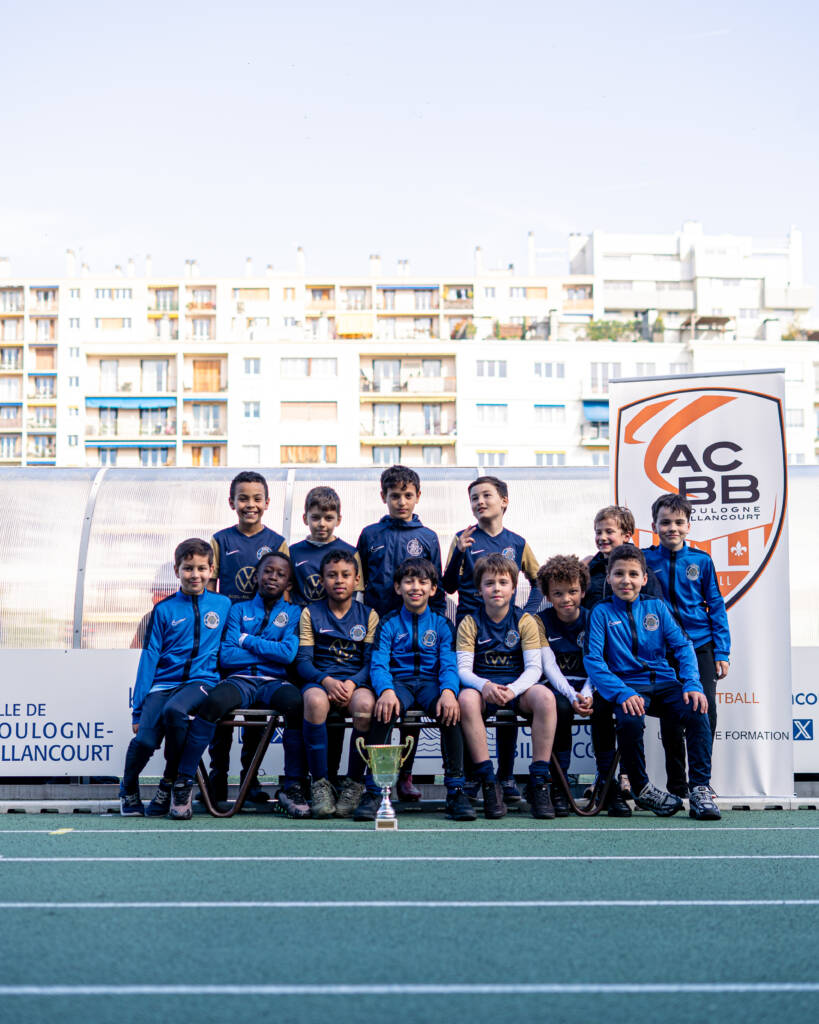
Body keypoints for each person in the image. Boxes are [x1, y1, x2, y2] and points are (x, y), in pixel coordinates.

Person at [584, 543, 721, 820]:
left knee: (698, 709)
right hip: (628, 687)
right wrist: (621, 692)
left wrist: (692, 683)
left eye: (633, 574)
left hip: (664, 683)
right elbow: (593, 660)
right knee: (629, 721)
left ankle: (700, 789)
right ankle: (642, 788)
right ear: (609, 578)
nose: (626, 580)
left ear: (644, 578)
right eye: (619, 574)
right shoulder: (600, 612)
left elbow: (683, 646)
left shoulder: (656, 606)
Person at [166, 550, 306, 820]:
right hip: (239, 680)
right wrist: (269, 650)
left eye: (280, 574)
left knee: (296, 704)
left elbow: (288, 654)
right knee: (212, 704)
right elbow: (227, 656)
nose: (273, 577)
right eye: (267, 571)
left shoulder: (294, 613)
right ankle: (183, 783)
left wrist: (246, 640)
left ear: (288, 583)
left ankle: (293, 787)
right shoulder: (237, 609)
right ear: (256, 576)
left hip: (273, 682)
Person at [353, 557, 476, 823]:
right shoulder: (388, 623)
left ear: (433, 589)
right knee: (383, 710)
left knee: (451, 713)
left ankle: (456, 790)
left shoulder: (443, 624)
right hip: (400, 684)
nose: (415, 587)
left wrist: (448, 692)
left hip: (432, 684)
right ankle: (374, 791)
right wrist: (386, 690)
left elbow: (449, 664)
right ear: (398, 588)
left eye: (423, 582)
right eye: (409, 581)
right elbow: (379, 664)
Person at [442, 475, 541, 804]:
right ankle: (475, 776)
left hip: (507, 630)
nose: (479, 502)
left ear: (504, 501)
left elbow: (539, 582)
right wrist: (459, 553)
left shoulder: (518, 542)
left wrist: (528, 614)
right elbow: (447, 586)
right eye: (474, 498)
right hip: (471, 630)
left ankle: (507, 776)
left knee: (506, 696)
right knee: (474, 698)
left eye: (486, 495)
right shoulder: (463, 538)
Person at [119, 538, 231, 816]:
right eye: (188, 568)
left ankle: (168, 783)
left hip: (201, 682)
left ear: (211, 570)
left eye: (202, 568)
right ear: (176, 570)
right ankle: (128, 788)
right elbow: (149, 659)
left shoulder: (223, 604)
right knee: (145, 740)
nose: (195, 575)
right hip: (163, 685)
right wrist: (138, 710)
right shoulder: (163, 610)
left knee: (175, 711)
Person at [356, 465, 444, 801]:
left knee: (412, 712)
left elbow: (437, 588)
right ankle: (371, 780)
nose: (401, 502)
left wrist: (434, 632)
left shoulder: (428, 537)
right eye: (395, 496)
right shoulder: (369, 535)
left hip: (418, 633)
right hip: (380, 632)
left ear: (418, 496)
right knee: (383, 702)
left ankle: (405, 776)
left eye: (408, 495)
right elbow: (361, 583)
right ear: (384, 497)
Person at [206, 471, 289, 802]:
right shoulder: (220, 541)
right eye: (243, 498)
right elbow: (210, 592)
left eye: (256, 499)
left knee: (258, 711)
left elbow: (283, 591)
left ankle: (249, 780)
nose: (250, 504)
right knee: (222, 712)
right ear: (232, 502)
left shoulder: (277, 542)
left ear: (267, 503)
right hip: (228, 634)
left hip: (262, 635)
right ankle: (217, 779)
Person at [456, 554, 558, 820]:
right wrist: (485, 685)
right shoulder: (470, 622)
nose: (497, 588)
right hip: (484, 689)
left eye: (503, 583)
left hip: (516, 689)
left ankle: (538, 782)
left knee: (546, 698)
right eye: (489, 583)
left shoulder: (525, 621)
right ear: (479, 590)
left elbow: (534, 668)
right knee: (466, 700)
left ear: (514, 588)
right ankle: (489, 782)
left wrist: (513, 689)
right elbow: (463, 671)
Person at [644, 493, 731, 797]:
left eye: (679, 522)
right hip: (663, 649)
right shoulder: (644, 559)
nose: (673, 528)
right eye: (665, 522)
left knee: (705, 711)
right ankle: (677, 785)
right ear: (654, 526)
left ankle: (701, 783)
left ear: (689, 526)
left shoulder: (701, 560)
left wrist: (722, 651)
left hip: (700, 645)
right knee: (671, 714)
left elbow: (716, 606)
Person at [535, 555, 631, 817]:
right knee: (561, 708)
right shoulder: (539, 621)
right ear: (547, 595)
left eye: (573, 592)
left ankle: (607, 783)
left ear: (583, 591)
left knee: (603, 707)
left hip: (592, 684)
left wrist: (587, 693)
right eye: (558, 593)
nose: (566, 599)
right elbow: (548, 667)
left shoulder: (595, 617)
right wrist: (571, 695)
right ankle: (560, 785)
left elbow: (599, 661)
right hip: (558, 688)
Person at [582, 504, 662, 802]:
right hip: (599, 663)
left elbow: (654, 617)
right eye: (598, 532)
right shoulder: (588, 569)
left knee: (630, 716)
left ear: (627, 535)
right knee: (600, 713)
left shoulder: (643, 572)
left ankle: (628, 776)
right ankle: (604, 778)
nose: (602, 537)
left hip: (631, 665)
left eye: (609, 532)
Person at [295, 549, 378, 818]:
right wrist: (327, 681)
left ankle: (353, 783)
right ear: (322, 580)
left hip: (355, 684)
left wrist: (352, 683)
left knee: (366, 706)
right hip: (322, 681)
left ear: (356, 580)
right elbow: (303, 662)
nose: (339, 580)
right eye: (332, 575)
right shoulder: (310, 613)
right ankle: (320, 783)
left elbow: (371, 663)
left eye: (345, 575)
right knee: (314, 700)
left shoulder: (369, 615)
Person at [288, 486, 362, 608]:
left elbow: (354, 595)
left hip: (334, 618)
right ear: (305, 519)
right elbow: (286, 591)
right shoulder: (293, 552)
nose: (322, 524)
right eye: (315, 518)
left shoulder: (351, 553)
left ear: (338, 520)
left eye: (328, 518)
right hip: (300, 617)